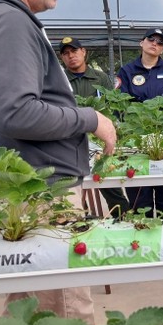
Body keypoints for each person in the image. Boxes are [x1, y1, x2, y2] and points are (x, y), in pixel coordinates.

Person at [0, 0, 117, 324]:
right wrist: (90, 118)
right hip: (37, 191)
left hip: (23, 187)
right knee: (61, 319)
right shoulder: (8, 23)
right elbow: (16, 113)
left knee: (31, 311)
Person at [118, 27, 163, 217]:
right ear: (142, 43)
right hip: (137, 141)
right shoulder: (127, 71)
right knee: (140, 197)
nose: (155, 44)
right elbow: (119, 103)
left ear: (162, 49)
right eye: (151, 40)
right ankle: (143, 232)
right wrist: (137, 124)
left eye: (159, 43)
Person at [58, 36, 129, 217]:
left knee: (106, 182)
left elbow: (112, 105)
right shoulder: (59, 80)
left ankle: (124, 218)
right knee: (68, 186)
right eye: (65, 53)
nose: (70, 56)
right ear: (62, 58)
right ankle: (79, 221)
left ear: (83, 52)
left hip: (98, 138)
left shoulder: (100, 77)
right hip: (69, 140)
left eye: (74, 51)